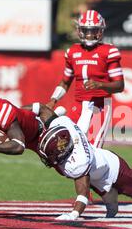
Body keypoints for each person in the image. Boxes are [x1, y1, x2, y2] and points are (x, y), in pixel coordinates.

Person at [46, 10, 124, 148]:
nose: (89, 35)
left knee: (93, 150)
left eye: (93, 31)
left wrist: (100, 85)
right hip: (79, 105)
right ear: (79, 30)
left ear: (100, 31)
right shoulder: (72, 52)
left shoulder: (109, 51)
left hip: (100, 106)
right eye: (86, 30)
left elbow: (119, 85)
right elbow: (65, 81)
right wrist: (53, 100)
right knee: (67, 146)